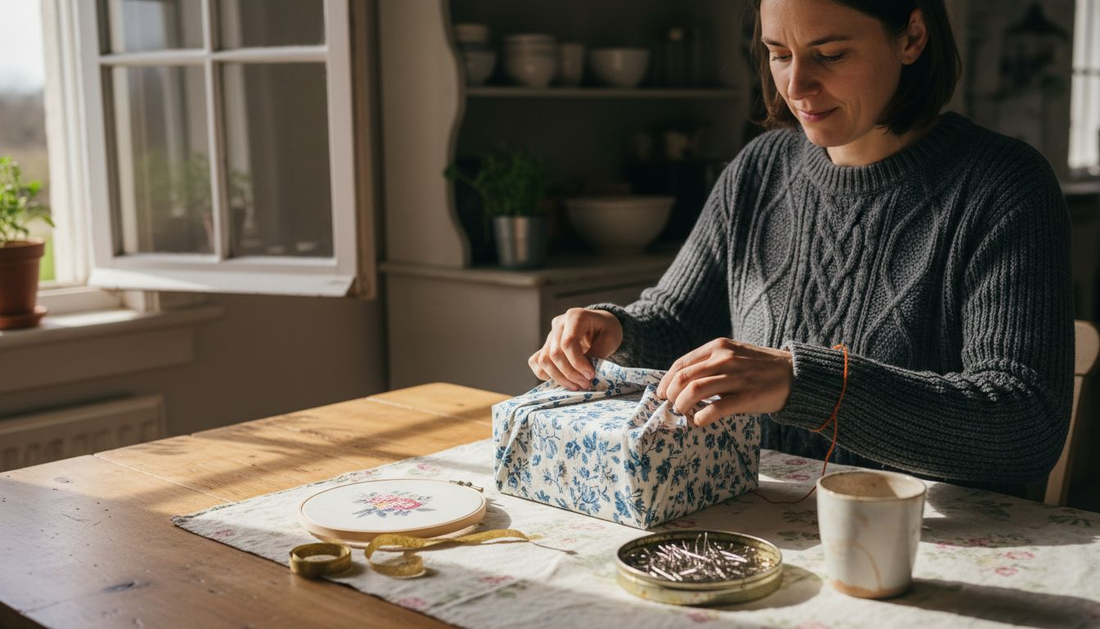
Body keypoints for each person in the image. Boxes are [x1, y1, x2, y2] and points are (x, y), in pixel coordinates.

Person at [528, 0, 1074, 497]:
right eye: (778, 54)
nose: (796, 85)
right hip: (762, 519)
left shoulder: (1003, 186)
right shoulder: (760, 169)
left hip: (930, 544)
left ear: (911, 36)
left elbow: (1025, 425)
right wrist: (615, 328)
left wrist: (805, 383)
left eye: (830, 55)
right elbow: (678, 321)